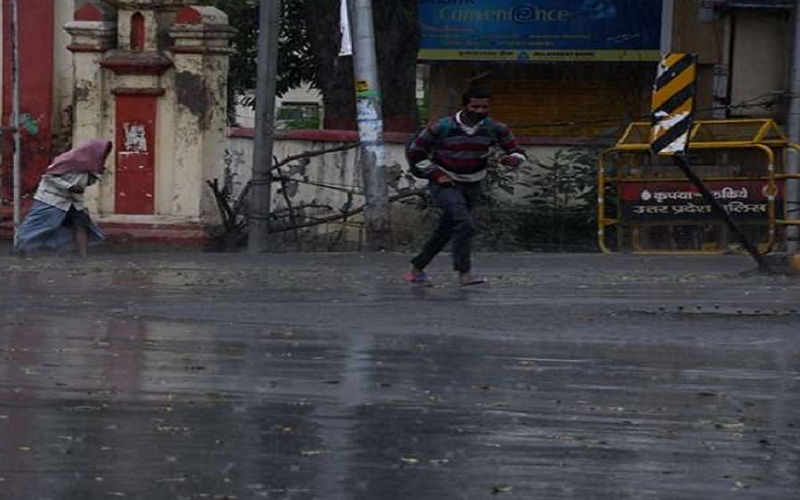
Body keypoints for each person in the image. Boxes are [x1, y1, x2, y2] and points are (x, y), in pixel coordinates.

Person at [405, 87, 527, 286]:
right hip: (446, 183)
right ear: (464, 106)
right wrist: (437, 174)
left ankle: (417, 267)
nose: (479, 111)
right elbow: (415, 152)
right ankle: (465, 273)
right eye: (475, 106)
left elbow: (517, 150)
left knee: (447, 229)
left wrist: (513, 159)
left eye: (484, 107)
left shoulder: (495, 128)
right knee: (465, 224)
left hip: (473, 182)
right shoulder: (441, 127)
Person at [15, 139, 112, 257]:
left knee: (81, 225)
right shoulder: (67, 160)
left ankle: (83, 255)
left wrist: (97, 174)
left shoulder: (93, 166)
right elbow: (49, 176)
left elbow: (87, 182)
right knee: (41, 226)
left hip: (74, 201)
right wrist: (69, 187)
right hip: (51, 199)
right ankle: (24, 251)